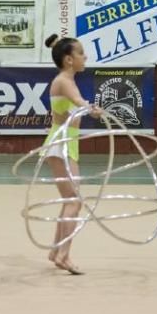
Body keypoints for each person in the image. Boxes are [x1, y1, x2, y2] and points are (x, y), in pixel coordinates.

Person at [42, 34, 101, 274]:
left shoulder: (67, 79)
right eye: (80, 53)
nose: (85, 56)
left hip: (67, 142)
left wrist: (89, 111)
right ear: (68, 59)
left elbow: (76, 107)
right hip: (62, 143)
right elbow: (78, 102)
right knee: (75, 202)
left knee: (70, 201)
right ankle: (64, 255)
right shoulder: (64, 81)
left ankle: (57, 251)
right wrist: (91, 109)